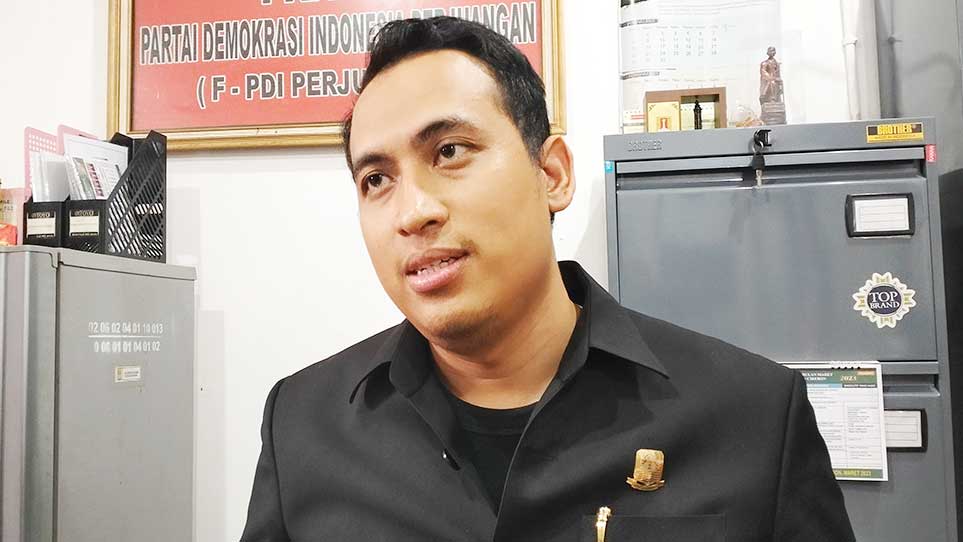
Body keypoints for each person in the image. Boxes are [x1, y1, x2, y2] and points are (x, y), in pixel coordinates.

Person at [241, 16, 853, 542]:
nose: (413, 212)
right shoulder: (303, 425)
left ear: (553, 175)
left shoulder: (753, 417)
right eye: (376, 179)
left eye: (450, 152)